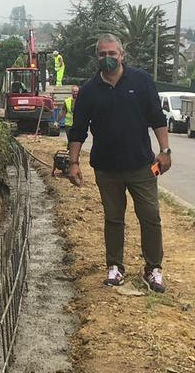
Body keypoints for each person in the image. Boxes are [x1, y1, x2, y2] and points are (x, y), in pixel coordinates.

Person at [66, 34, 171, 294]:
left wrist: (165, 150)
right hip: (107, 168)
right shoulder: (89, 91)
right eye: (102, 54)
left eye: (112, 53)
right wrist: (73, 162)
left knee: (150, 217)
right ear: (97, 57)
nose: (108, 58)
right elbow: (78, 130)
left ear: (122, 55)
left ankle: (153, 269)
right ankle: (115, 266)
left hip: (142, 167)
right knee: (113, 219)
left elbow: (157, 119)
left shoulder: (142, 82)